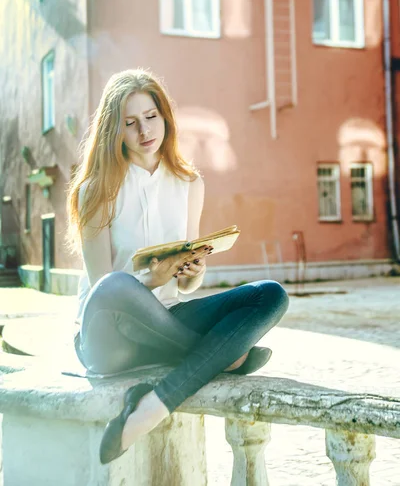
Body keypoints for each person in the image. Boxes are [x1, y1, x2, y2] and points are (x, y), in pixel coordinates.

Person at [67, 68, 289, 465]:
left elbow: (186, 285)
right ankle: (222, 355)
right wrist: (147, 280)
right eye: (130, 123)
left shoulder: (188, 184)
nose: (144, 131)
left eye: (151, 117)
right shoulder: (94, 190)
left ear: (165, 117)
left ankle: (153, 405)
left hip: (164, 324)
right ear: (113, 130)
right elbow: (102, 290)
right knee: (118, 285)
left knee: (271, 295)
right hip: (107, 337)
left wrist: (191, 273)